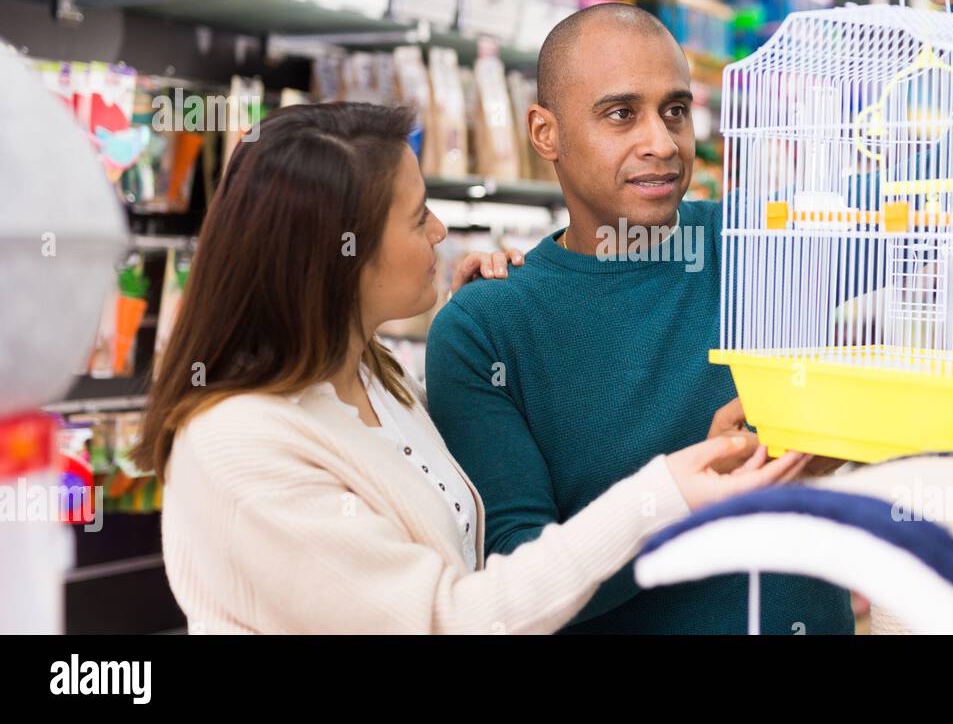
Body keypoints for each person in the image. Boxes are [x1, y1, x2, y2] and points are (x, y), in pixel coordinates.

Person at [427, 0, 953, 633]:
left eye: (675, 111)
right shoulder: (485, 328)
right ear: (544, 133)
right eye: (621, 115)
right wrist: (694, 496)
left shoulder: (757, 242)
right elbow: (521, 589)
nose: (662, 143)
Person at [136, 102, 811, 634]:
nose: (438, 232)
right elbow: (449, 620)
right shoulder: (241, 448)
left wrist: (483, 314)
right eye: (416, 217)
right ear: (340, 257)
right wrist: (663, 493)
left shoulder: (372, 378)